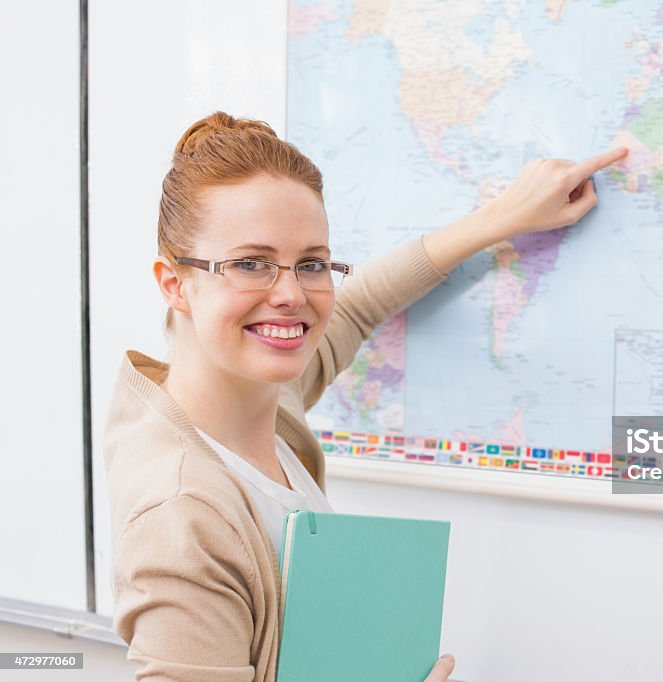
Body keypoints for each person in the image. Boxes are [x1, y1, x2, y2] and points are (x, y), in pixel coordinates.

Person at [104, 111, 627, 681]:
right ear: (174, 283)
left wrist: (503, 218)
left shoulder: (268, 399)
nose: (291, 295)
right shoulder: (180, 517)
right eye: (251, 264)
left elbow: (358, 304)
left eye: (312, 264)